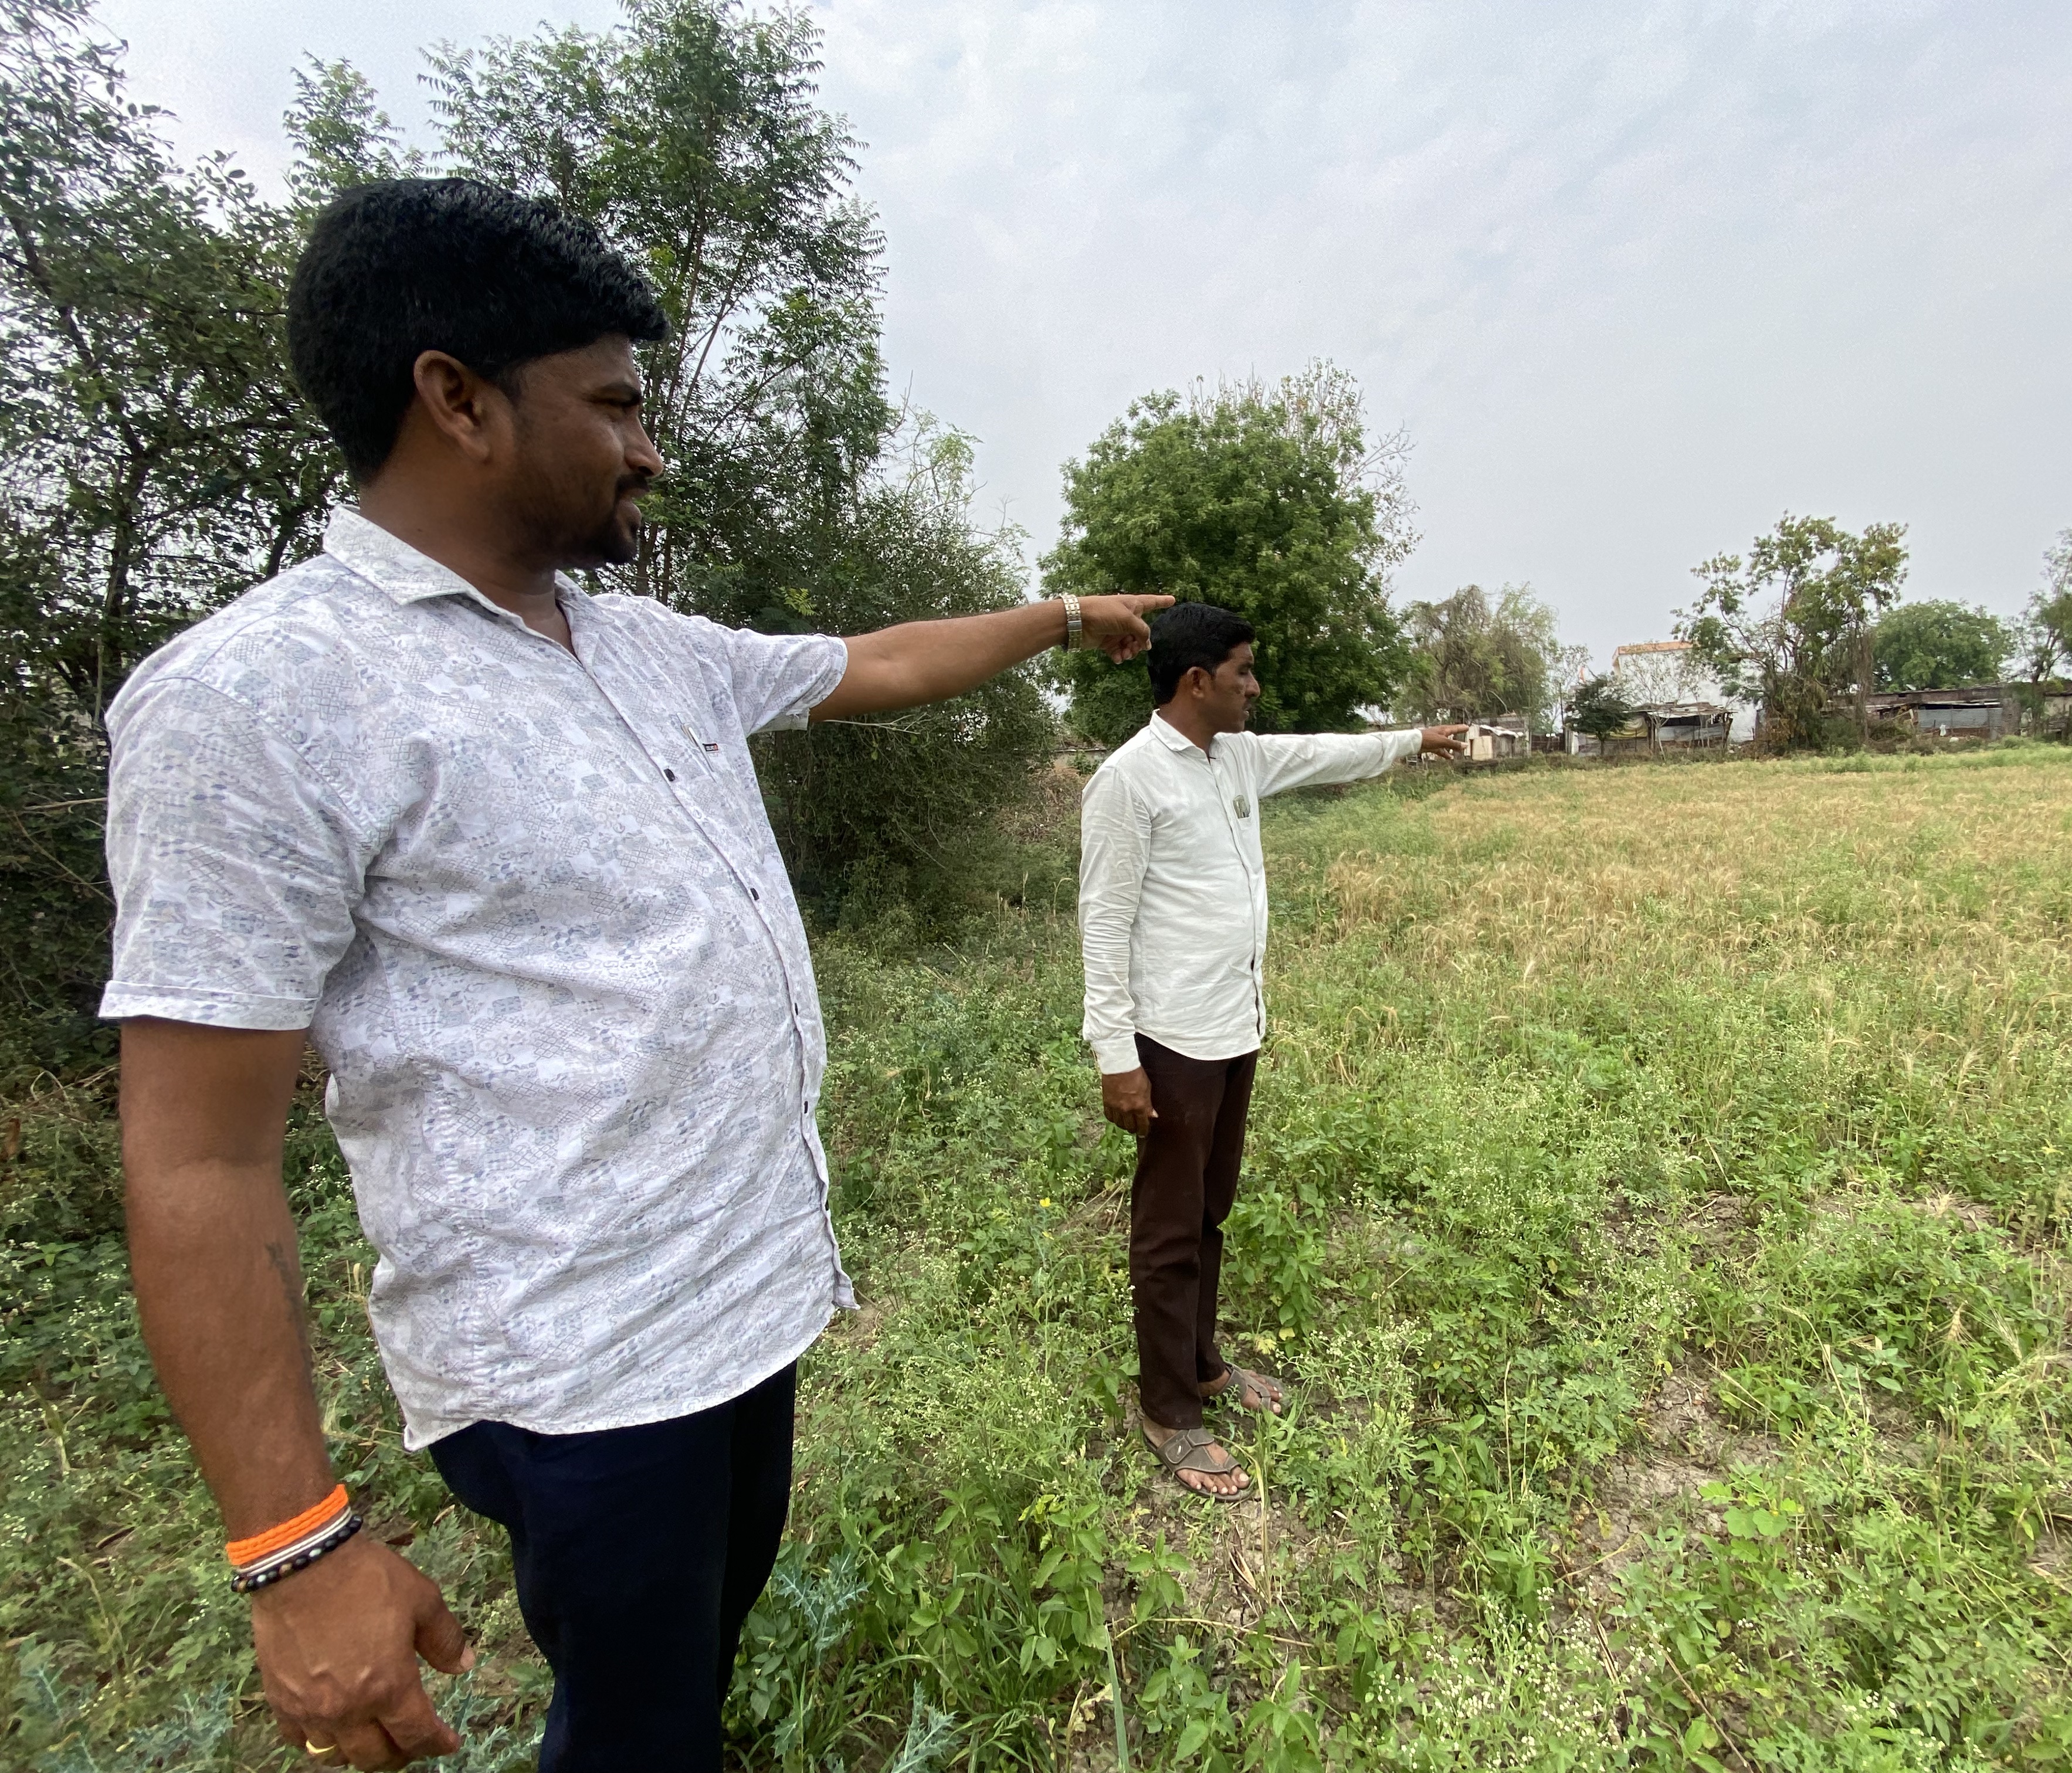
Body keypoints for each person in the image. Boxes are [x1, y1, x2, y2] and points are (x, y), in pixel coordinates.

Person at [104, 178, 1169, 1772]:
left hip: (750, 1299)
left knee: (692, 1668)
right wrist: (295, 1545)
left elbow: (875, 664)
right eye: (613, 405)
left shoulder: (638, 645)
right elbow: (197, 1151)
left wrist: (1061, 614)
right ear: (456, 399)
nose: (649, 447)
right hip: (581, 1375)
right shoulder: (257, 699)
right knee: (632, 1727)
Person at [1077, 603, 1464, 1497]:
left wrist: (1410, 740)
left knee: (1209, 1212)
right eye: (1244, 670)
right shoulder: (1129, 781)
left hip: (1233, 1026)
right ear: (1196, 681)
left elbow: (1326, 752)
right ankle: (1170, 1409)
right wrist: (1116, 1056)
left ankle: (1205, 1363)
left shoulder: (1238, 757)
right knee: (1168, 1228)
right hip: (1169, 1040)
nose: (1256, 686)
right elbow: (1102, 925)